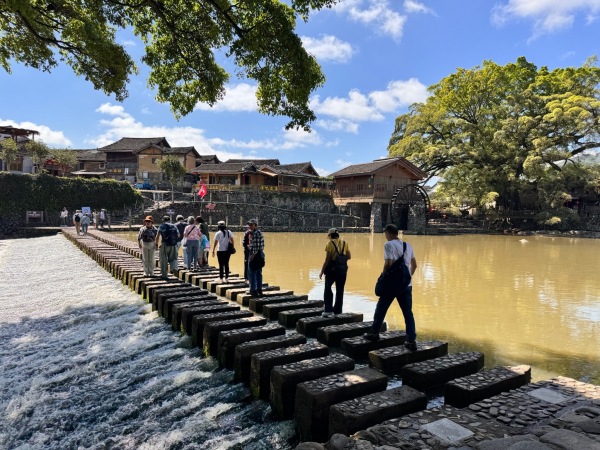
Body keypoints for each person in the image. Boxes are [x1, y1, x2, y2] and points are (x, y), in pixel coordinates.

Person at [364, 224, 418, 351]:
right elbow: (414, 265)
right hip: (406, 285)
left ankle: (374, 333)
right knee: (408, 313)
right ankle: (411, 340)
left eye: (385, 234)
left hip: (392, 285)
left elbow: (388, 263)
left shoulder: (388, 245)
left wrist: (383, 277)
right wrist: (407, 278)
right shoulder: (408, 245)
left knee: (381, 308)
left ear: (388, 233)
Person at [319, 228, 351, 317]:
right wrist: (341, 258)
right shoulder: (345, 243)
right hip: (342, 270)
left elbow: (327, 259)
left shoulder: (330, 244)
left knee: (328, 288)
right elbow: (349, 256)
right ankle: (338, 311)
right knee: (340, 290)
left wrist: (322, 271)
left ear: (330, 235)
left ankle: (328, 310)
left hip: (332, 270)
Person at [156, 215, 180, 280]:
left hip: (164, 244)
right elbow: (178, 235)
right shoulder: (174, 226)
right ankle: (175, 269)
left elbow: (157, 236)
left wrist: (156, 244)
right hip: (173, 245)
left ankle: (164, 275)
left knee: (163, 259)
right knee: (173, 258)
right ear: (169, 220)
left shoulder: (161, 226)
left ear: (163, 220)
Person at [246, 219, 264, 297]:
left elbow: (256, 246)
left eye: (251, 224)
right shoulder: (258, 232)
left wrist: (252, 255)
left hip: (255, 254)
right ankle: (259, 289)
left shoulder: (256, 233)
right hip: (260, 254)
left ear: (255, 225)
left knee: (252, 272)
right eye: (249, 224)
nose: (250, 226)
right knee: (258, 272)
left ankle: (253, 290)